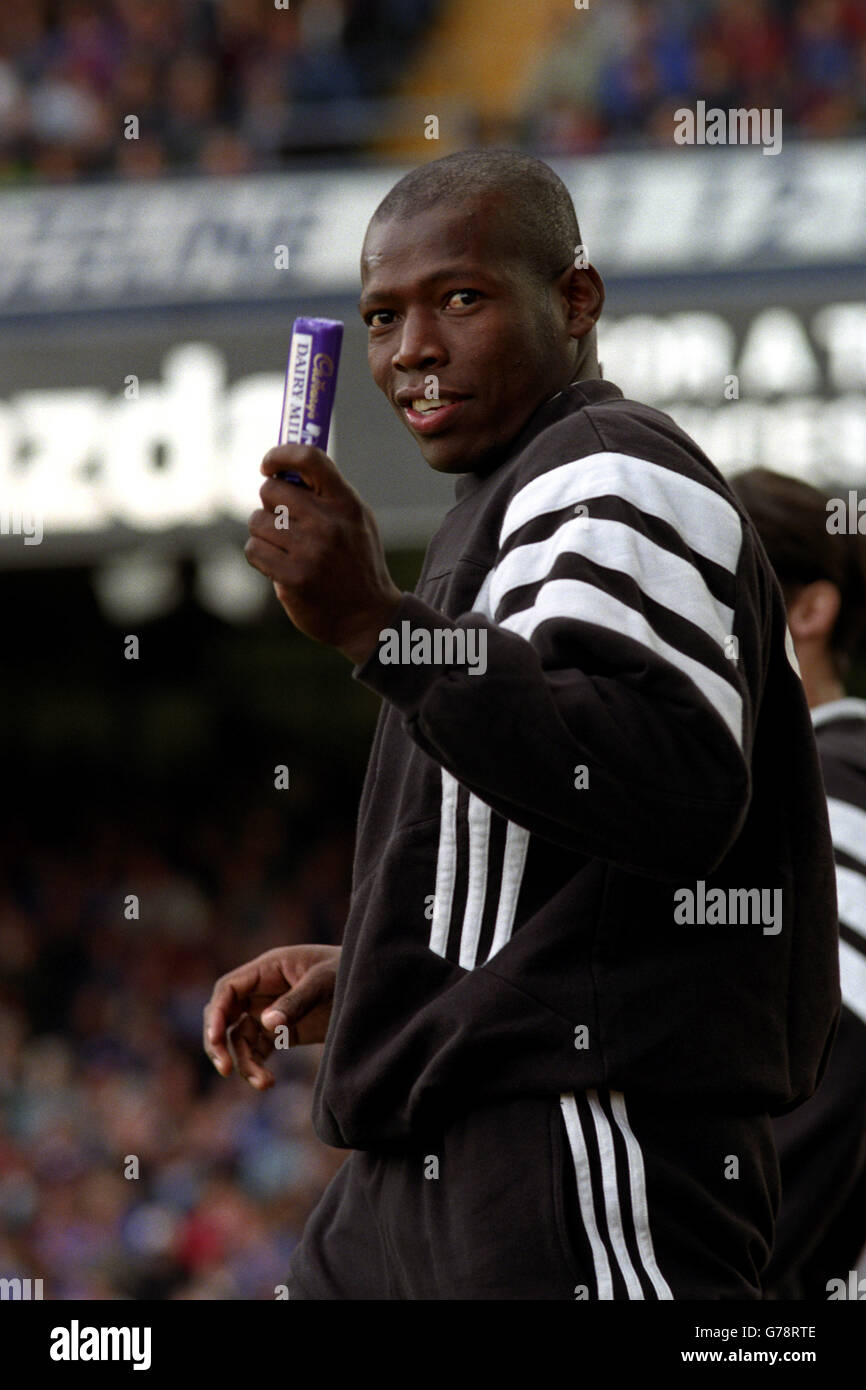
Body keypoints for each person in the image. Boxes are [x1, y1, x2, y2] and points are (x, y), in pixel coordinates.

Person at [202, 150, 839, 1300]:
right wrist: (406, 963)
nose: (411, 351)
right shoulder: (493, 504)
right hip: (427, 1149)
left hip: (572, 1132)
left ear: (575, 300)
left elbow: (663, 784)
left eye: (459, 298)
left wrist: (378, 628)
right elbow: (550, 805)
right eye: (381, 316)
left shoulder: (610, 468)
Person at [729, 467, 866, 1300]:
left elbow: (838, 1078)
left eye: (713, 587)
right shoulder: (768, 797)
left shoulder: (835, 797)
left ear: (808, 613)